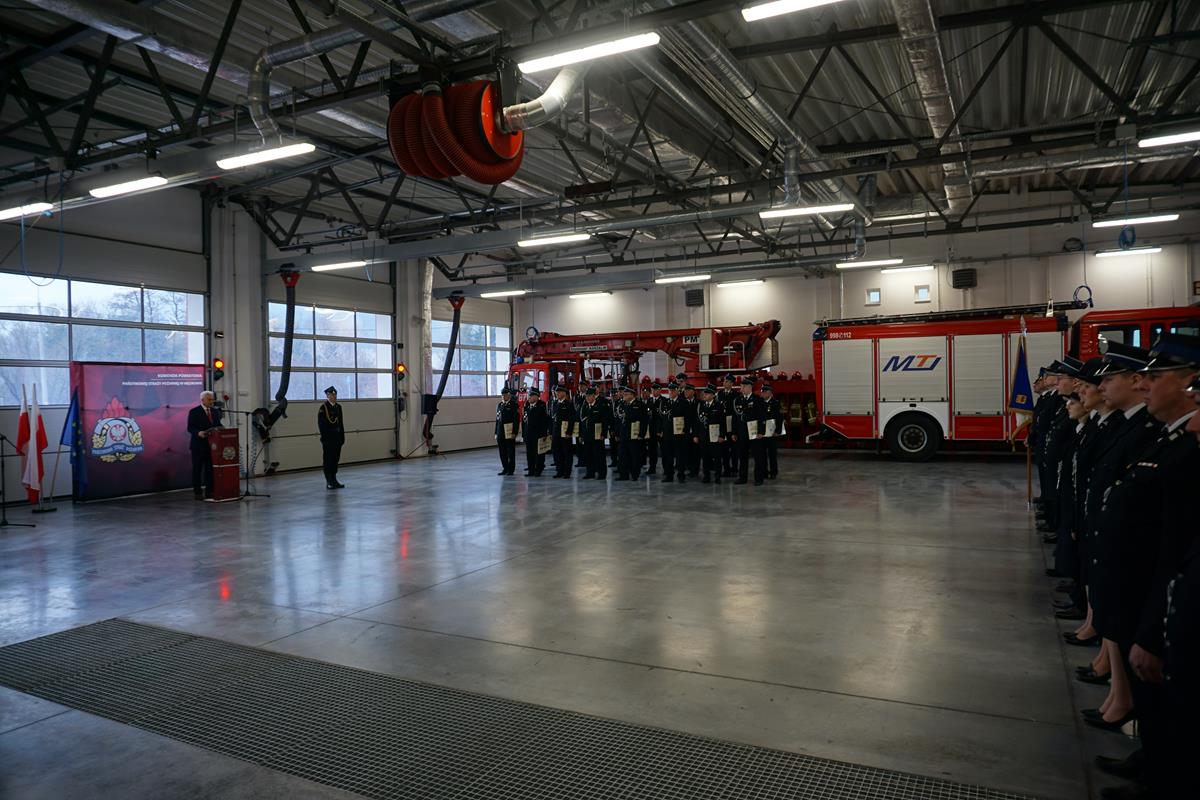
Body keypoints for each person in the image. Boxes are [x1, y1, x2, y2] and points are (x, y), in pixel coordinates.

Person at [1085, 334, 1199, 799]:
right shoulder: (1169, 441)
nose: (1144, 384)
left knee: (1170, 699)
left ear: (1191, 382)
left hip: (1159, 598)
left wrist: (1153, 628)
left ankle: (1161, 776)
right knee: (1157, 700)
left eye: (1155, 376)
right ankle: (1153, 764)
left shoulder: (1184, 450)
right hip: (1142, 590)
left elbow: (1173, 547)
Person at [186, 390, 222, 500]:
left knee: (210, 469)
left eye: (212, 399)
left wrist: (222, 429)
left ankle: (209, 491)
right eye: (209, 399)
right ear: (202, 400)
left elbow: (218, 425)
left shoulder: (215, 411)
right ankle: (197, 492)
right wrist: (198, 433)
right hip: (198, 445)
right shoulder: (194, 411)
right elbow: (190, 427)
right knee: (197, 469)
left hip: (212, 446)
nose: (212, 401)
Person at [733, 376, 767, 485]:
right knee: (742, 456)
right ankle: (742, 478)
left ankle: (759, 478)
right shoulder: (738, 400)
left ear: (749, 387)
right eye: (741, 386)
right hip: (742, 432)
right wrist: (734, 432)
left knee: (758, 456)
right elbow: (735, 418)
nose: (741, 389)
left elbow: (762, 417)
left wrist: (761, 431)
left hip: (754, 432)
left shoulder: (758, 400)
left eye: (743, 386)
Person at [316, 386, 346, 489]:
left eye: (335, 395)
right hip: (328, 439)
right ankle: (329, 481)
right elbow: (322, 425)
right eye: (332, 395)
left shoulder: (338, 407)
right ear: (327, 396)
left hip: (337, 438)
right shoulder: (323, 408)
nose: (334, 397)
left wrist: (342, 437)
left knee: (335, 459)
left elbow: (340, 424)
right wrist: (325, 439)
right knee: (328, 460)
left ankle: (334, 479)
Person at [696, 384, 726, 484]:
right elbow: (698, 422)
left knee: (717, 457)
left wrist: (722, 435)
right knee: (705, 457)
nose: (705, 395)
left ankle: (717, 476)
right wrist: (696, 435)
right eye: (704, 393)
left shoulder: (718, 406)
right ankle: (706, 475)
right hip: (704, 435)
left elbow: (722, 422)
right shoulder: (701, 406)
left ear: (713, 395)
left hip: (715, 435)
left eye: (708, 394)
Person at [615, 385, 645, 481]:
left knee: (634, 456)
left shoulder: (639, 405)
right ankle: (623, 474)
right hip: (623, 434)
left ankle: (635, 474)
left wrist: (641, 434)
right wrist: (617, 433)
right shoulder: (622, 405)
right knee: (622, 455)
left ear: (632, 395)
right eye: (624, 394)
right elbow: (618, 420)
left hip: (634, 435)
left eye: (626, 394)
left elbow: (644, 421)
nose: (624, 396)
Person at [580, 386, 610, 479]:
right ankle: (590, 472)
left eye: (589, 396)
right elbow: (582, 421)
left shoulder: (600, 405)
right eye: (586, 396)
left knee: (599, 455)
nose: (587, 398)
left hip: (597, 435)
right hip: (587, 434)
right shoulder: (585, 406)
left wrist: (603, 433)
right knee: (588, 455)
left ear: (594, 396)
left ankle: (602, 473)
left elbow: (605, 421)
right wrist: (581, 435)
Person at [522, 388, 549, 477]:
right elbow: (524, 421)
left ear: (536, 397)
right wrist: (523, 434)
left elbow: (544, 422)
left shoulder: (541, 406)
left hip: (538, 434)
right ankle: (531, 470)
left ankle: (538, 469)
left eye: (531, 396)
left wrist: (544, 434)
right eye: (529, 396)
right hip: (528, 434)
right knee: (529, 453)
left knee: (538, 453)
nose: (529, 398)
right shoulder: (527, 406)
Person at [551, 385, 575, 479]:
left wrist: (569, 432)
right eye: (557, 392)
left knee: (567, 452)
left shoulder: (568, 404)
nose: (557, 394)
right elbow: (553, 418)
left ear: (564, 393)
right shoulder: (555, 403)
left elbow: (571, 419)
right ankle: (559, 470)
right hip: (556, 432)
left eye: (559, 392)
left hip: (565, 432)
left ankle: (567, 472)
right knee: (557, 452)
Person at [761, 383, 784, 479]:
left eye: (764, 392)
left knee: (772, 454)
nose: (762, 394)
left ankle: (773, 472)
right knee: (762, 454)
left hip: (772, 432)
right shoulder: (760, 403)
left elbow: (779, 418)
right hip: (762, 432)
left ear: (769, 393)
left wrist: (778, 431)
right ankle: (764, 472)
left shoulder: (775, 403)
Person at [495, 386, 518, 476]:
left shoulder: (513, 405)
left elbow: (516, 420)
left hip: (509, 432)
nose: (503, 396)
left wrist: (514, 432)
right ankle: (505, 468)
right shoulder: (500, 405)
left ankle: (511, 469)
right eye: (502, 395)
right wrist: (496, 432)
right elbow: (497, 420)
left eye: (505, 395)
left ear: (509, 395)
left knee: (510, 452)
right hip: (500, 432)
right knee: (502, 452)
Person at [718, 374, 737, 477]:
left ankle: (734, 468)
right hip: (722, 422)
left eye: (726, 381)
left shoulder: (735, 394)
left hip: (732, 421)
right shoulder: (720, 394)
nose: (724, 383)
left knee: (734, 448)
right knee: (724, 448)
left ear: (731, 383)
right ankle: (726, 469)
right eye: (724, 381)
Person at [682, 383, 701, 477]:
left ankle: (695, 470)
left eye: (688, 390)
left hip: (696, 431)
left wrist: (697, 433)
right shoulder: (682, 402)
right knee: (687, 451)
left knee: (696, 452)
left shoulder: (699, 403)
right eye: (685, 390)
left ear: (693, 392)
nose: (685, 392)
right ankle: (690, 469)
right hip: (685, 431)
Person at [640, 383, 658, 475]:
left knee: (652, 450)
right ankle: (640, 464)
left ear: (649, 393)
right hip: (641, 430)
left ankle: (652, 467)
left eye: (646, 392)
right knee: (640, 448)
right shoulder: (638, 403)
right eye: (642, 392)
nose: (643, 393)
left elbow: (656, 418)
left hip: (651, 430)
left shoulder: (652, 403)